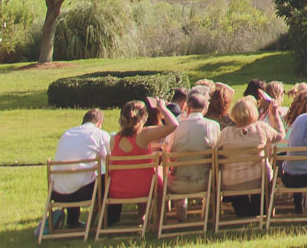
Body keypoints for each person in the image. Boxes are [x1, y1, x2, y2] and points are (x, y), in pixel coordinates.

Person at [102, 100, 175, 227]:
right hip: (144, 189)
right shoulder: (144, 135)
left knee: (141, 174)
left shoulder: (113, 139)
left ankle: (143, 216)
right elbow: (174, 125)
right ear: (143, 117)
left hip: (117, 190)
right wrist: (162, 108)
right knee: (159, 173)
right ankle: (160, 219)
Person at [217, 96, 283, 218]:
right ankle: (259, 211)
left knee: (240, 195)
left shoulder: (226, 133)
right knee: (262, 183)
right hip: (258, 179)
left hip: (232, 181)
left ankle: (244, 213)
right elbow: (280, 135)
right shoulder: (260, 128)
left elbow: (215, 152)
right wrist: (274, 114)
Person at [47, 109, 111, 231]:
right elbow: (110, 160)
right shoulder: (99, 134)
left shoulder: (67, 134)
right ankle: (104, 221)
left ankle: (73, 220)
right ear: (100, 122)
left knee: (75, 175)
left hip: (57, 193)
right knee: (106, 178)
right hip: (83, 193)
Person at [167, 91, 221, 221]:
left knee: (177, 166)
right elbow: (218, 150)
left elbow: (166, 150)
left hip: (176, 184)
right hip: (204, 182)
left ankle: (180, 213)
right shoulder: (212, 126)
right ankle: (209, 215)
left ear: (187, 107)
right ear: (206, 109)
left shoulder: (174, 127)